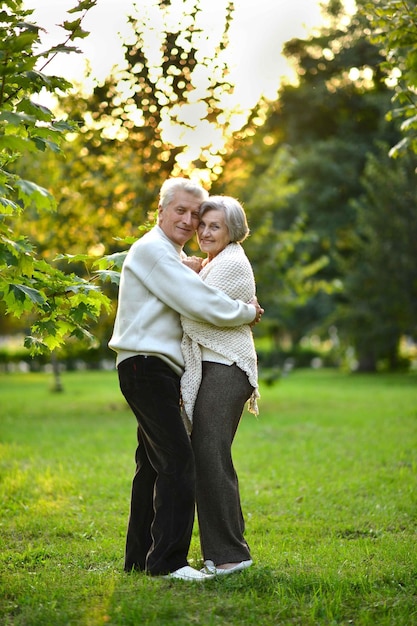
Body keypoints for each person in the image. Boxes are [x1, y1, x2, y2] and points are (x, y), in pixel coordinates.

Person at [108, 178, 263, 582]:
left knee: (153, 466)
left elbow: (191, 284)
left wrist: (190, 266)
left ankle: (139, 559)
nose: (189, 220)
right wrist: (245, 312)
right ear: (160, 210)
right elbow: (197, 303)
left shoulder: (171, 254)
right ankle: (169, 563)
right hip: (147, 366)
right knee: (179, 462)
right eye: (181, 210)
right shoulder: (153, 252)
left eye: (196, 214)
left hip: (156, 368)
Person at [180, 195, 260, 576]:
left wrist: (187, 282)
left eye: (216, 226)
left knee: (211, 456)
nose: (205, 231)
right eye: (203, 224)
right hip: (214, 367)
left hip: (227, 368)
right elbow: (200, 303)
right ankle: (223, 552)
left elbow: (196, 316)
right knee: (207, 457)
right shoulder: (213, 263)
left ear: (233, 230)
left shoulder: (231, 263)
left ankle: (231, 556)